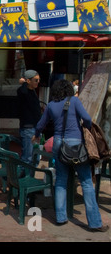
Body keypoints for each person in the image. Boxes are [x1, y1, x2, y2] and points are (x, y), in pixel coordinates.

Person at [33, 79, 109, 232]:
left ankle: (61, 218)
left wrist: (35, 135)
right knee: (86, 183)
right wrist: (87, 129)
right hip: (76, 144)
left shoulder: (51, 106)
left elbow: (40, 125)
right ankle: (94, 223)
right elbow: (87, 119)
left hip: (58, 144)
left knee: (61, 181)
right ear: (68, 89)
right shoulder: (74, 101)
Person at [17, 69, 42, 165]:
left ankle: (31, 178)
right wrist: (23, 83)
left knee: (35, 158)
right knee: (27, 158)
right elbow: (22, 91)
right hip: (28, 128)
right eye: (36, 80)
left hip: (35, 128)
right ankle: (23, 179)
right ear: (28, 81)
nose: (38, 82)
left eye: (38, 80)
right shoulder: (23, 91)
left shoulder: (33, 92)